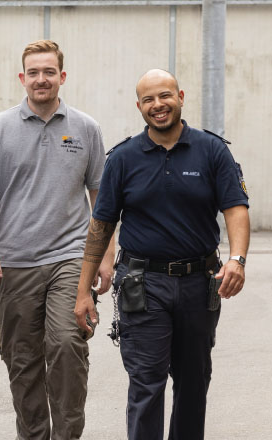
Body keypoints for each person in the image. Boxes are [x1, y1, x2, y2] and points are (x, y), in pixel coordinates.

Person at [74, 69, 250, 440]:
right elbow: (101, 226)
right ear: (139, 106)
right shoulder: (122, 158)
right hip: (143, 284)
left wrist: (237, 258)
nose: (158, 105)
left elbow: (235, 208)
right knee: (146, 381)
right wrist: (83, 291)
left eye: (165, 96)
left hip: (198, 284)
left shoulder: (212, 150)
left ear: (180, 96)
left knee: (193, 381)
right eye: (149, 99)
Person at [0, 39, 116, 440]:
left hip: (71, 256)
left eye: (49, 72)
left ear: (62, 77)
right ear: (22, 78)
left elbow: (101, 198)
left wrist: (106, 255)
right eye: (33, 72)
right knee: (22, 359)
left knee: (68, 345)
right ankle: (33, 434)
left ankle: (66, 436)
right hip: (15, 260)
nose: (41, 79)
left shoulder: (86, 128)